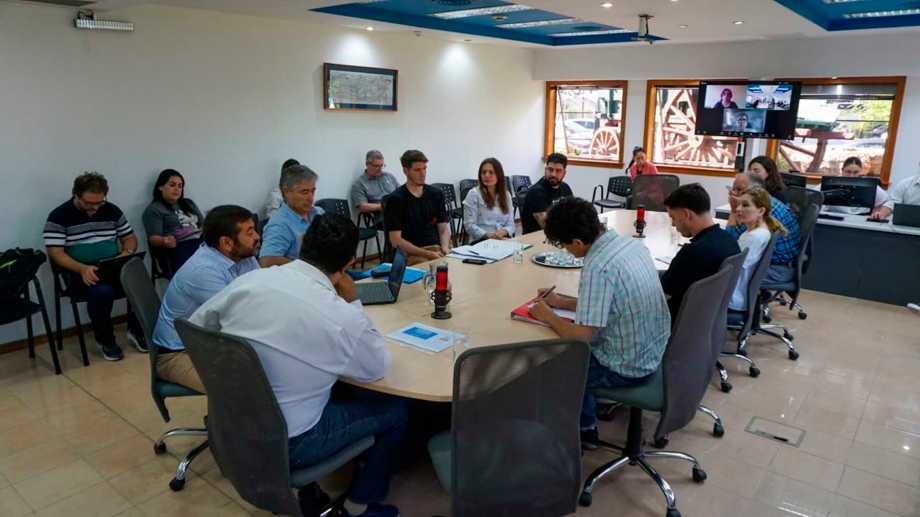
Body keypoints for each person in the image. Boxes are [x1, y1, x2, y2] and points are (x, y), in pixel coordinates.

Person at [190, 213, 407, 517]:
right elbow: (376, 369)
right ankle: (359, 505)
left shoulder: (251, 280)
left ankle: (316, 489)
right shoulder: (339, 315)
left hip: (231, 423)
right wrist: (353, 302)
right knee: (395, 409)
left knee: (335, 387)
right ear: (348, 263)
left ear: (303, 242)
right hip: (293, 442)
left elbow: (198, 327)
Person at [528, 197, 670, 448]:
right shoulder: (629, 244)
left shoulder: (597, 266)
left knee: (551, 363)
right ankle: (586, 420)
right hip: (655, 350)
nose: (566, 251)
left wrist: (547, 315)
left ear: (577, 242)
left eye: (565, 246)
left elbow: (582, 337)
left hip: (626, 366)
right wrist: (560, 302)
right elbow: (611, 303)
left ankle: (583, 431)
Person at [151, 205, 261, 393]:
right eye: (250, 233)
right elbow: (239, 317)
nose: (257, 236)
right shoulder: (203, 271)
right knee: (245, 391)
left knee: (272, 371)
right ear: (226, 243)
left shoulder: (244, 255)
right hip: (179, 354)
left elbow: (260, 294)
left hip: (212, 342)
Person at [43, 172, 144, 361]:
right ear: (76, 195)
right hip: (78, 271)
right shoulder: (59, 216)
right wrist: (81, 268)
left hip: (111, 265)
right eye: (89, 203)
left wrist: (127, 253)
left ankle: (137, 331)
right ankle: (106, 340)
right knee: (102, 292)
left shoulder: (111, 210)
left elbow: (129, 238)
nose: (95, 208)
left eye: (99, 202)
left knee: (139, 282)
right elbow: (56, 253)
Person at [661, 184, 740, 318]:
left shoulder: (693, 252)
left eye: (673, 217)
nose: (673, 224)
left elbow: (665, 288)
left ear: (686, 214)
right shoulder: (729, 240)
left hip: (678, 320)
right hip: (709, 318)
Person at [726, 172, 800, 284]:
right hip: (775, 263)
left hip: (778, 269)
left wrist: (733, 210)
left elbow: (731, 241)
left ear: (755, 190)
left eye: (739, 189)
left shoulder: (758, 216)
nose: (733, 193)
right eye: (733, 189)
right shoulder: (764, 204)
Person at [383, 150, 451, 266]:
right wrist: (427, 254)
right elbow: (396, 241)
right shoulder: (396, 199)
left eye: (424, 168)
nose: (423, 173)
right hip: (412, 253)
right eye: (417, 170)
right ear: (405, 171)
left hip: (437, 248)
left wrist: (445, 247)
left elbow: (443, 228)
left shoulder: (436, 194)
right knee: (433, 271)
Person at [728, 187, 787, 312]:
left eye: (745, 205)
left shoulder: (753, 237)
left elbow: (731, 268)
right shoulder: (760, 231)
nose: (738, 209)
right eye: (738, 204)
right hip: (740, 293)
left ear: (761, 211)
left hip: (733, 297)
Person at [259, 164, 325, 267]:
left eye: (313, 191)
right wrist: (307, 268)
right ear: (286, 192)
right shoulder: (279, 224)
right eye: (304, 192)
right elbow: (267, 261)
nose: (311, 198)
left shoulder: (319, 212)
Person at [142, 169, 204, 274]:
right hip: (180, 247)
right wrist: (164, 240)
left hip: (201, 242)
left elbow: (203, 224)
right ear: (160, 187)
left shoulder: (188, 203)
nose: (177, 189)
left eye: (180, 186)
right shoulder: (154, 209)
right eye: (172, 185)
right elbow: (153, 239)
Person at [462, 157, 515, 243]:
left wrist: (504, 231)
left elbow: (511, 225)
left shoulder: (506, 195)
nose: (486, 175)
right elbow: (469, 225)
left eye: (491, 172)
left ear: (499, 175)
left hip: (502, 238)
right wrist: (489, 235)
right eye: (484, 172)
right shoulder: (473, 194)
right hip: (481, 240)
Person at [521, 153, 574, 234]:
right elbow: (547, 226)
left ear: (564, 173)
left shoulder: (565, 188)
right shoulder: (536, 192)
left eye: (558, 171)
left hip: (558, 235)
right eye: (550, 169)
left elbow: (573, 214)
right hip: (537, 237)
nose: (553, 174)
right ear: (545, 169)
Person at [350, 150, 399, 224]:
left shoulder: (389, 176)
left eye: (382, 165)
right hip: (382, 216)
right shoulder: (359, 184)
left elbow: (401, 192)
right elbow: (362, 206)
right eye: (376, 166)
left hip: (399, 210)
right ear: (367, 164)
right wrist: (382, 206)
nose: (380, 169)